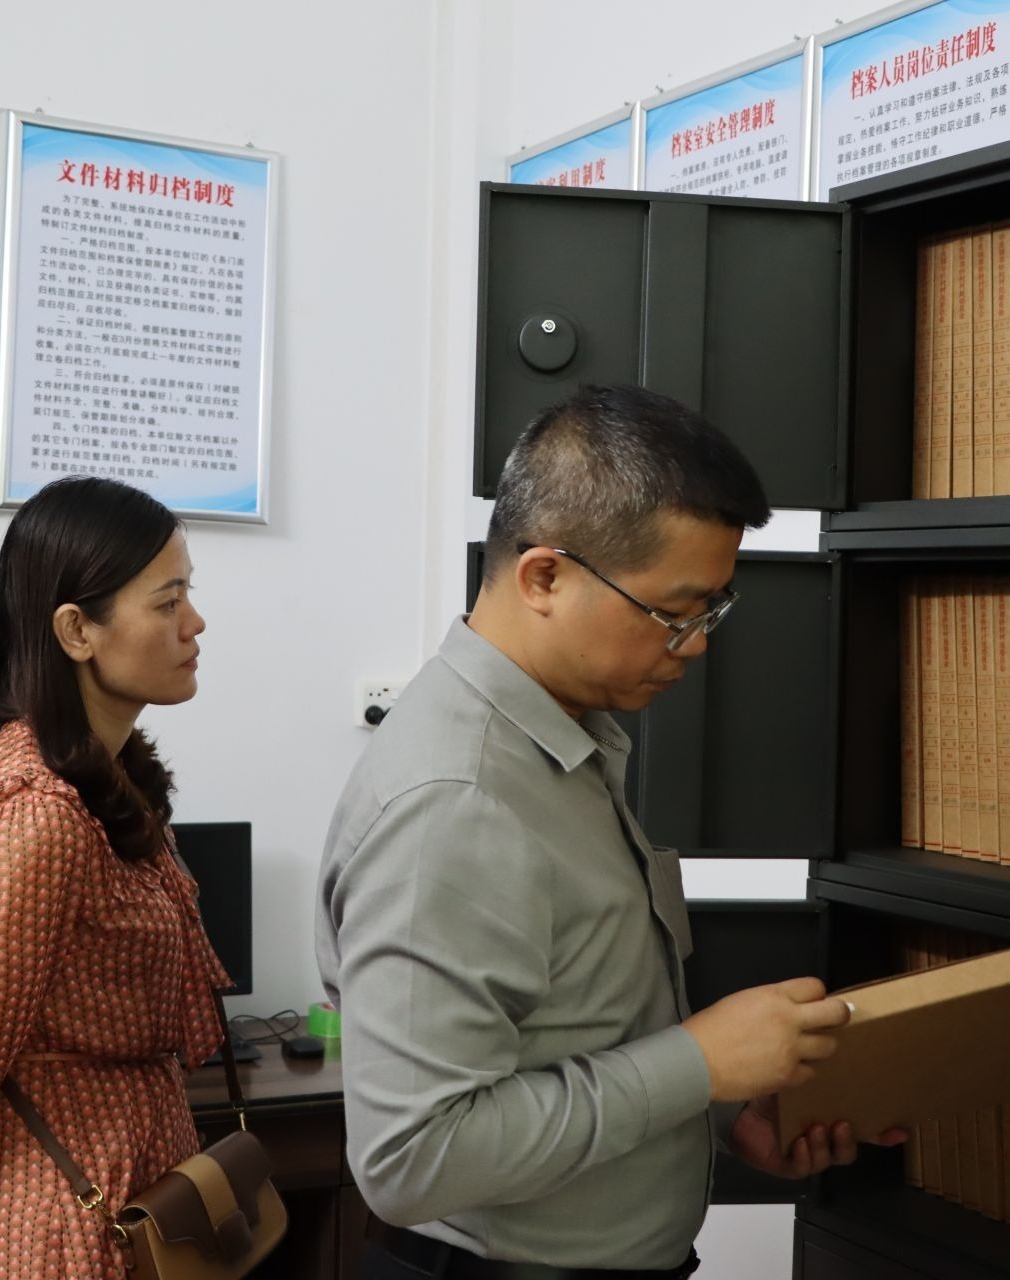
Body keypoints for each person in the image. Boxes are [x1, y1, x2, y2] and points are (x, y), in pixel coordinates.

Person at [318, 384, 903, 1280]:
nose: (696, 643)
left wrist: (722, 1112)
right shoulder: (456, 801)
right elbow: (413, 1159)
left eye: (713, 609)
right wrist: (697, 1064)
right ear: (544, 578)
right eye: (674, 612)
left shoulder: (558, 742)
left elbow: (573, 1036)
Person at [0, 475, 226, 1279]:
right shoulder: (41, 819)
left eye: (188, 595)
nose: (194, 623)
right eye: (168, 602)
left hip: (115, 1202)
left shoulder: (100, 781)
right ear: (76, 631)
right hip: (56, 1233)